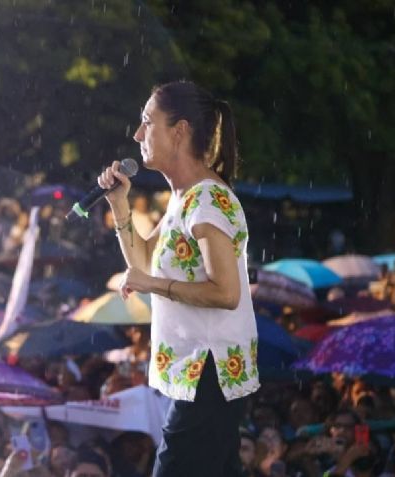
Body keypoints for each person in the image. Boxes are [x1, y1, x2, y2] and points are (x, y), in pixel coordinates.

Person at [98, 80, 258, 476]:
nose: (137, 135)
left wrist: (151, 285)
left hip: (210, 371)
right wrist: (120, 205)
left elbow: (226, 292)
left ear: (180, 130)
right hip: (198, 373)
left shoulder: (208, 199)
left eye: (147, 122)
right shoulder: (184, 198)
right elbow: (144, 259)